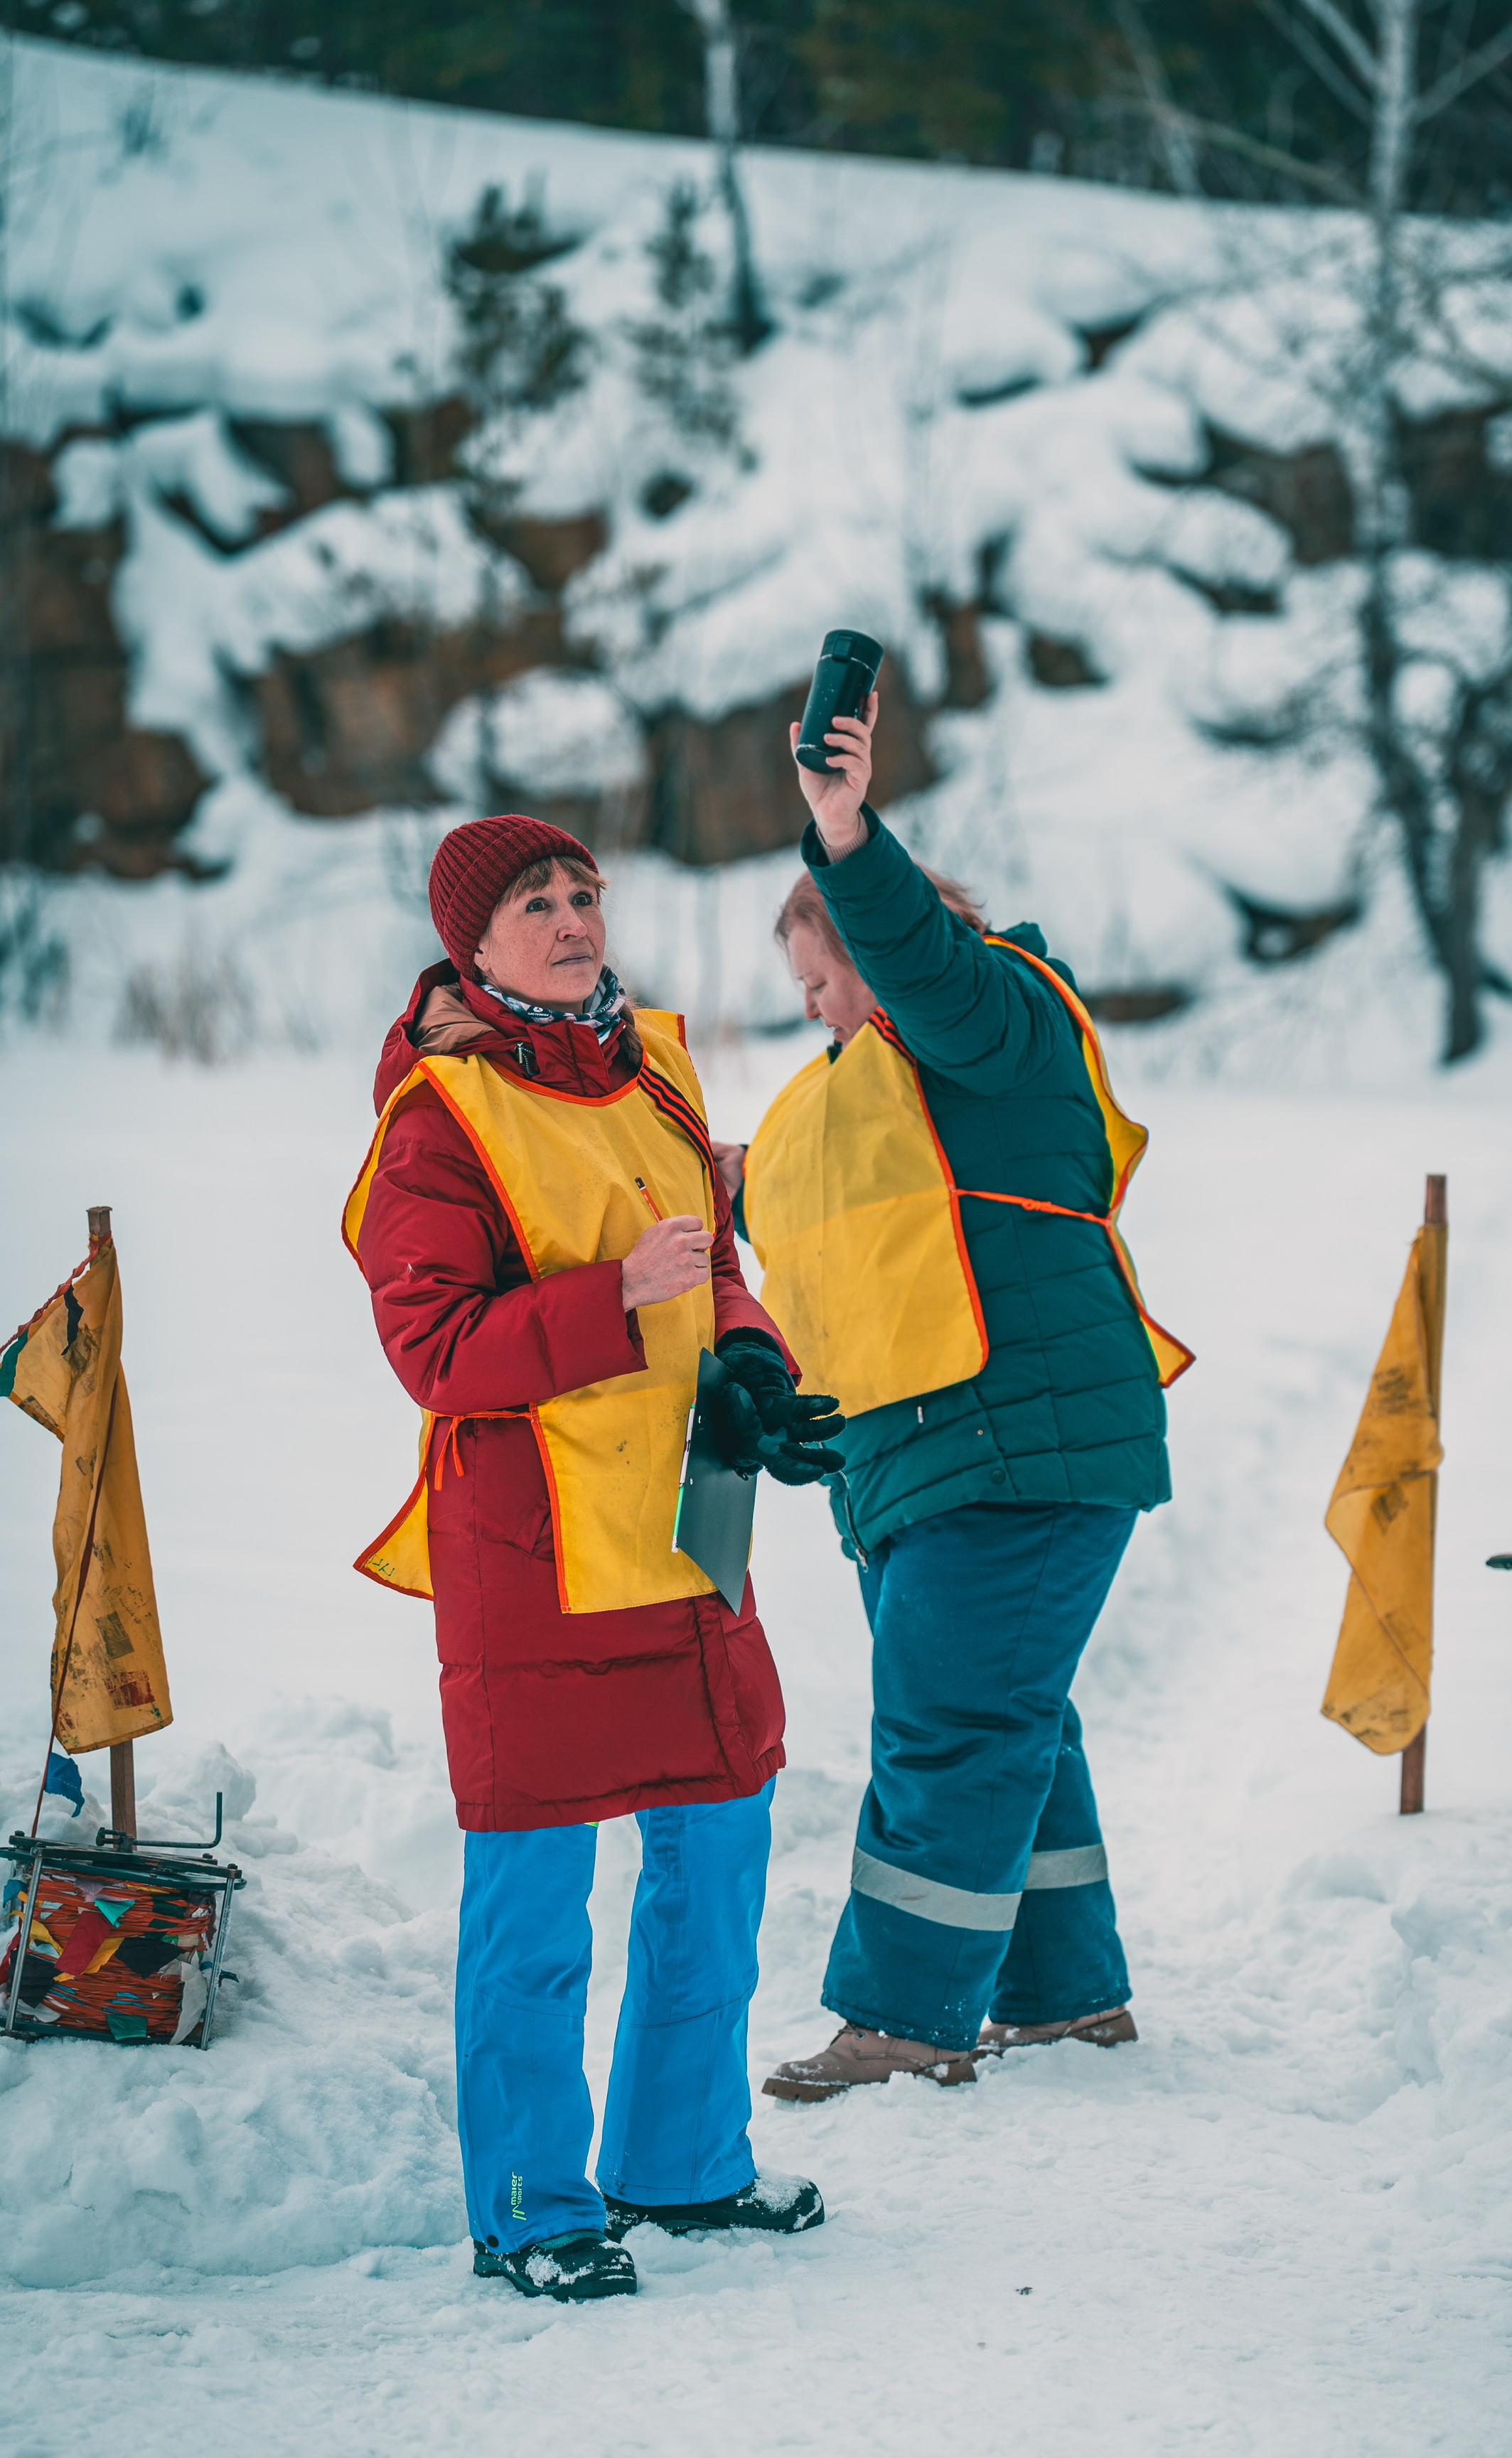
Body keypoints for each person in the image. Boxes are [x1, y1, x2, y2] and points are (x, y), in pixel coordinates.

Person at [346, 814, 845, 2301]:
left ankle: (682, 2168)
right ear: (470, 943)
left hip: (689, 1535)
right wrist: (612, 1302)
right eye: (534, 903)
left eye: (582, 894)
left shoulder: (655, 1067)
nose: (571, 919)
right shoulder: (435, 1118)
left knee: (720, 1849)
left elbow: (719, 1267)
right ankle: (529, 2208)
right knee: (535, 1904)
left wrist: (750, 1364)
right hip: (533, 1551)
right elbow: (433, 1349)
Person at [718, 695, 1191, 2103]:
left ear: (875, 948)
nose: (811, 1010)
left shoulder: (985, 1018)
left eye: (821, 978)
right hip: (948, 1459)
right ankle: (1062, 1995)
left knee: (947, 1726)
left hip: (1016, 1454)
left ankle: (908, 2018)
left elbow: (919, 962)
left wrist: (845, 838)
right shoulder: (888, 1088)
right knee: (1005, 1719)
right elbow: (796, 1198)